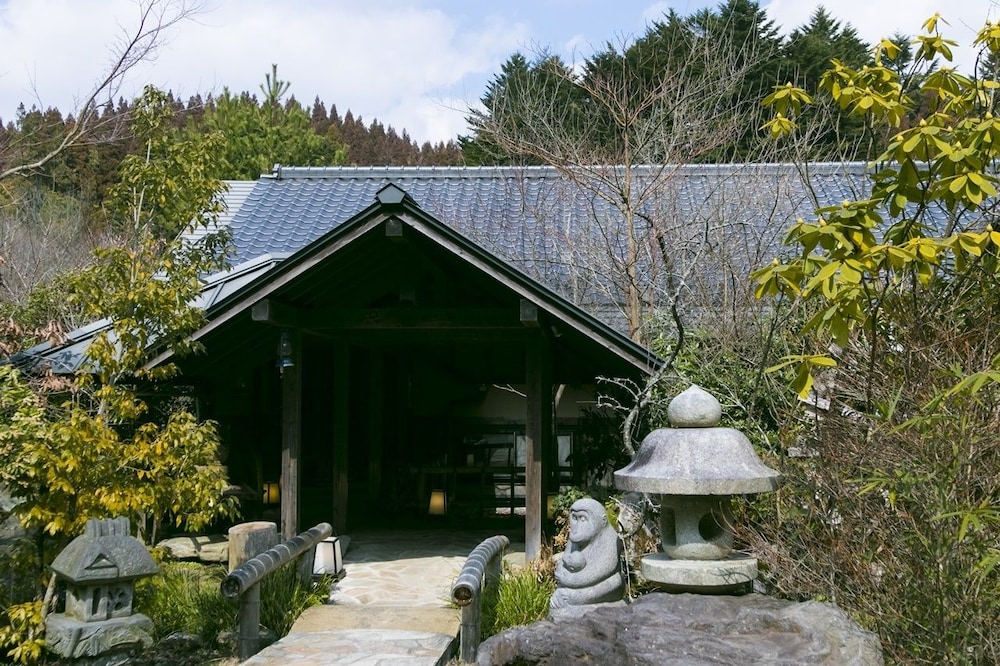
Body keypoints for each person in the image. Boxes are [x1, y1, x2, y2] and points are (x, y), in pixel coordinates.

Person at [549, 498, 625, 610]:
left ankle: (575, 599)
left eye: (583, 519)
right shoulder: (576, 535)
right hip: (575, 584)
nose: (578, 525)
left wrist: (568, 580)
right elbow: (565, 560)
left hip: (599, 587)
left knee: (615, 580)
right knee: (560, 596)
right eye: (575, 518)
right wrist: (562, 572)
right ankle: (569, 598)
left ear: (602, 521)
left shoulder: (611, 539)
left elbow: (598, 573)